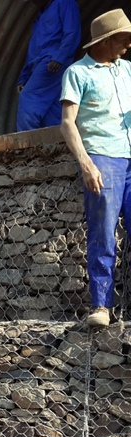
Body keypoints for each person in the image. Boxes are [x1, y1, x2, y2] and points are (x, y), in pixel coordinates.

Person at [59, 9, 131, 328]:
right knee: (103, 233)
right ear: (105, 41)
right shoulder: (78, 73)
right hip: (102, 157)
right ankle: (102, 305)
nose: (128, 45)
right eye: (123, 39)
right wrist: (86, 164)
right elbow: (67, 124)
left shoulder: (127, 70)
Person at [17, 0, 81, 131]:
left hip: (52, 63)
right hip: (40, 63)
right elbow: (33, 49)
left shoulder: (64, 3)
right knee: (51, 110)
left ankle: (27, 144)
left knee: (28, 97)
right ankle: (59, 145)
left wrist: (60, 57)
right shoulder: (40, 16)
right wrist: (24, 76)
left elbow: (72, 32)